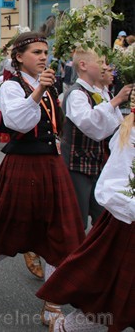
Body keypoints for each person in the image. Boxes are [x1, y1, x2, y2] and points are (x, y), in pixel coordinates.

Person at [0, 32, 85, 327]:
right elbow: (18, 122)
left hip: (50, 164)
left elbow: (54, 123)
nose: (43, 57)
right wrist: (37, 93)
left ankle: (52, 303)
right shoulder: (11, 86)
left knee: (60, 230)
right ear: (19, 57)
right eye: (36, 52)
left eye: (45, 52)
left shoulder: (49, 85)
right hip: (24, 165)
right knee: (11, 229)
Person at [37, 122, 135, 332]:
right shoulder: (129, 133)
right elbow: (93, 128)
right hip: (124, 216)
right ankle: (63, 326)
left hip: (93, 168)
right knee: (111, 299)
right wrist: (115, 102)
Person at [60, 49, 130, 229]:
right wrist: (116, 101)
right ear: (83, 65)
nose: (106, 68)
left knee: (105, 218)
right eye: (101, 63)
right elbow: (91, 126)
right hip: (77, 165)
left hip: (97, 163)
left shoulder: (100, 93)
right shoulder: (76, 94)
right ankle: (72, 255)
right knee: (77, 221)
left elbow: (114, 127)